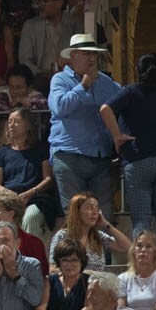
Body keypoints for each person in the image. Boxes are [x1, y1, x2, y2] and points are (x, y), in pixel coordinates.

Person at [99, 51, 156, 234]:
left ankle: (141, 261)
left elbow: (105, 109)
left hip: (138, 160)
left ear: (137, 70)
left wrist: (117, 136)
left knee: (141, 219)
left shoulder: (130, 92)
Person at [48, 34, 120, 218]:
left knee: (105, 217)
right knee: (75, 218)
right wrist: (84, 85)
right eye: (87, 53)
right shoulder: (59, 80)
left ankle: (100, 248)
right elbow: (60, 106)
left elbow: (125, 100)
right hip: (69, 157)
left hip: (100, 157)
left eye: (94, 54)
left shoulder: (104, 81)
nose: (92, 58)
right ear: (73, 56)